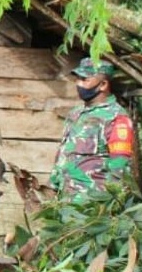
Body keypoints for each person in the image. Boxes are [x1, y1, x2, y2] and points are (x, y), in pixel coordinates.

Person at [50, 57, 136, 198]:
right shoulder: (75, 114)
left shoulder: (117, 117)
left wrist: (110, 200)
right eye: (78, 79)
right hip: (66, 196)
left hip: (93, 199)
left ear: (103, 85)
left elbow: (120, 163)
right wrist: (54, 183)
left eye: (85, 80)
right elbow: (64, 152)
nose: (79, 84)